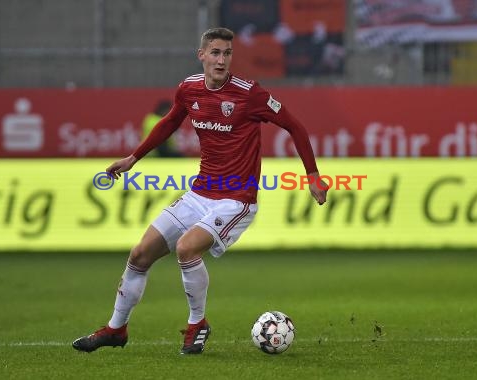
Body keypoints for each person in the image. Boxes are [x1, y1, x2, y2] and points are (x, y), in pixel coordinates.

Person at [72, 27, 327, 355]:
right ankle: (115, 329)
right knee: (139, 255)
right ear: (202, 55)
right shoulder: (189, 89)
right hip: (200, 194)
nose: (222, 60)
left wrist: (313, 175)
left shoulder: (250, 95)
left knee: (186, 249)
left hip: (237, 199)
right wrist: (134, 157)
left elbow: (296, 126)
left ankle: (197, 324)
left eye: (228, 54)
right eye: (216, 53)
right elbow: (169, 122)